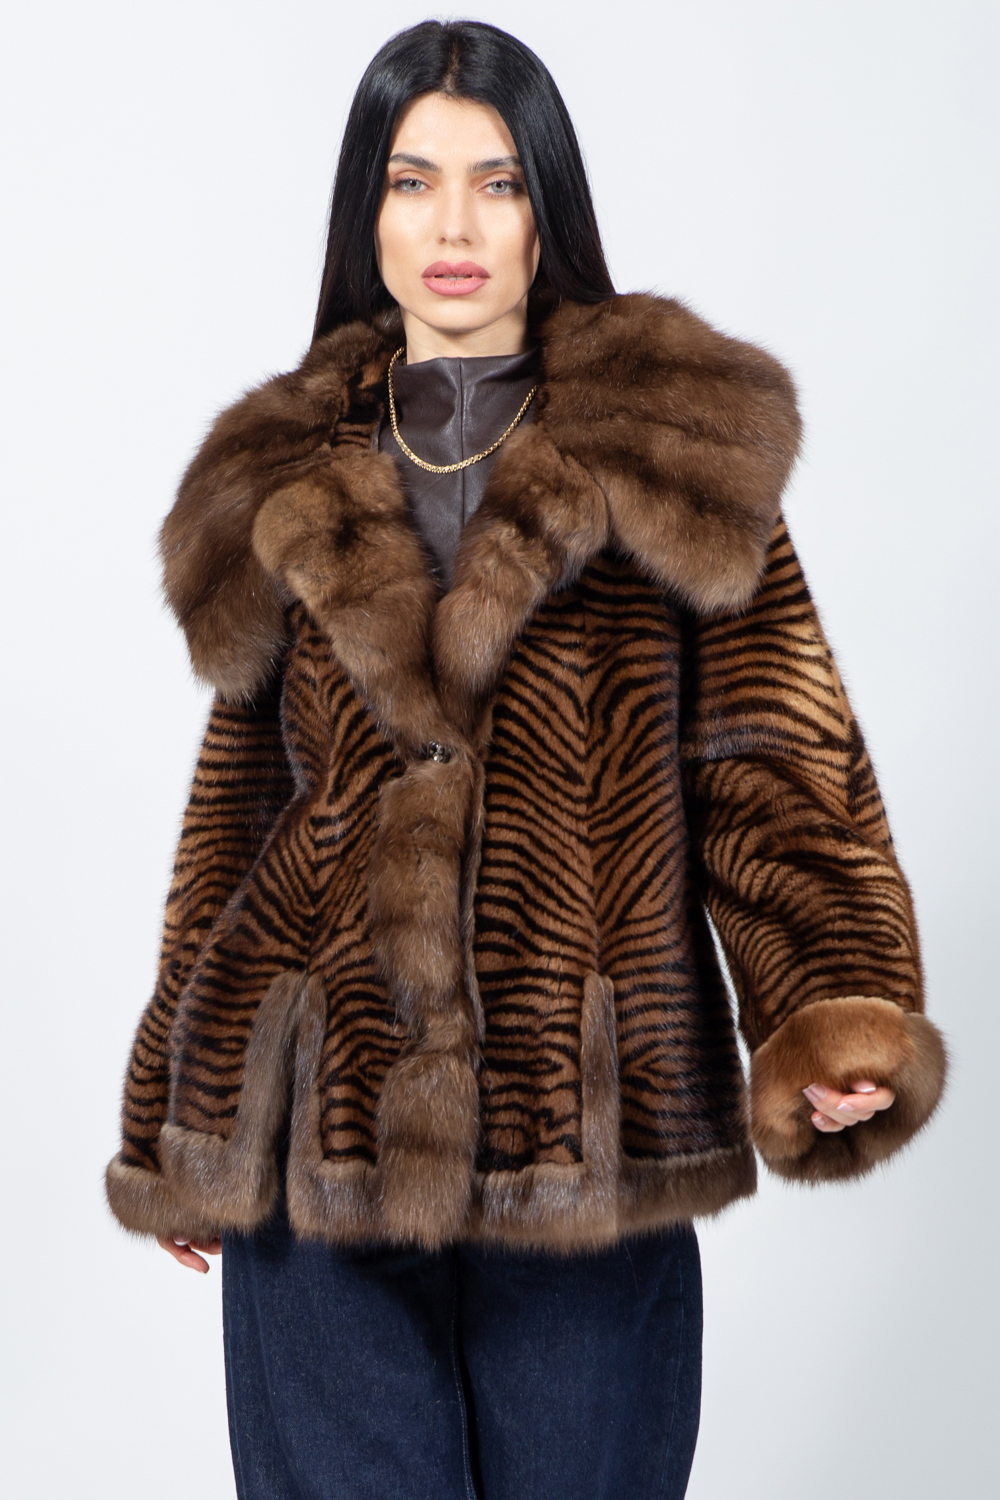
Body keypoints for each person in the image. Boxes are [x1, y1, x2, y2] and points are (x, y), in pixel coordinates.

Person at [105, 19, 946, 1500]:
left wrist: (828, 1008)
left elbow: (774, 763)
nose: (453, 225)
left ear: (546, 209)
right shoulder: (280, 479)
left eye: (496, 182)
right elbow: (236, 820)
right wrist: (176, 1118)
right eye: (412, 180)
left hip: (591, 1151)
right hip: (321, 1157)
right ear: (366, 214)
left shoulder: (671, 454)